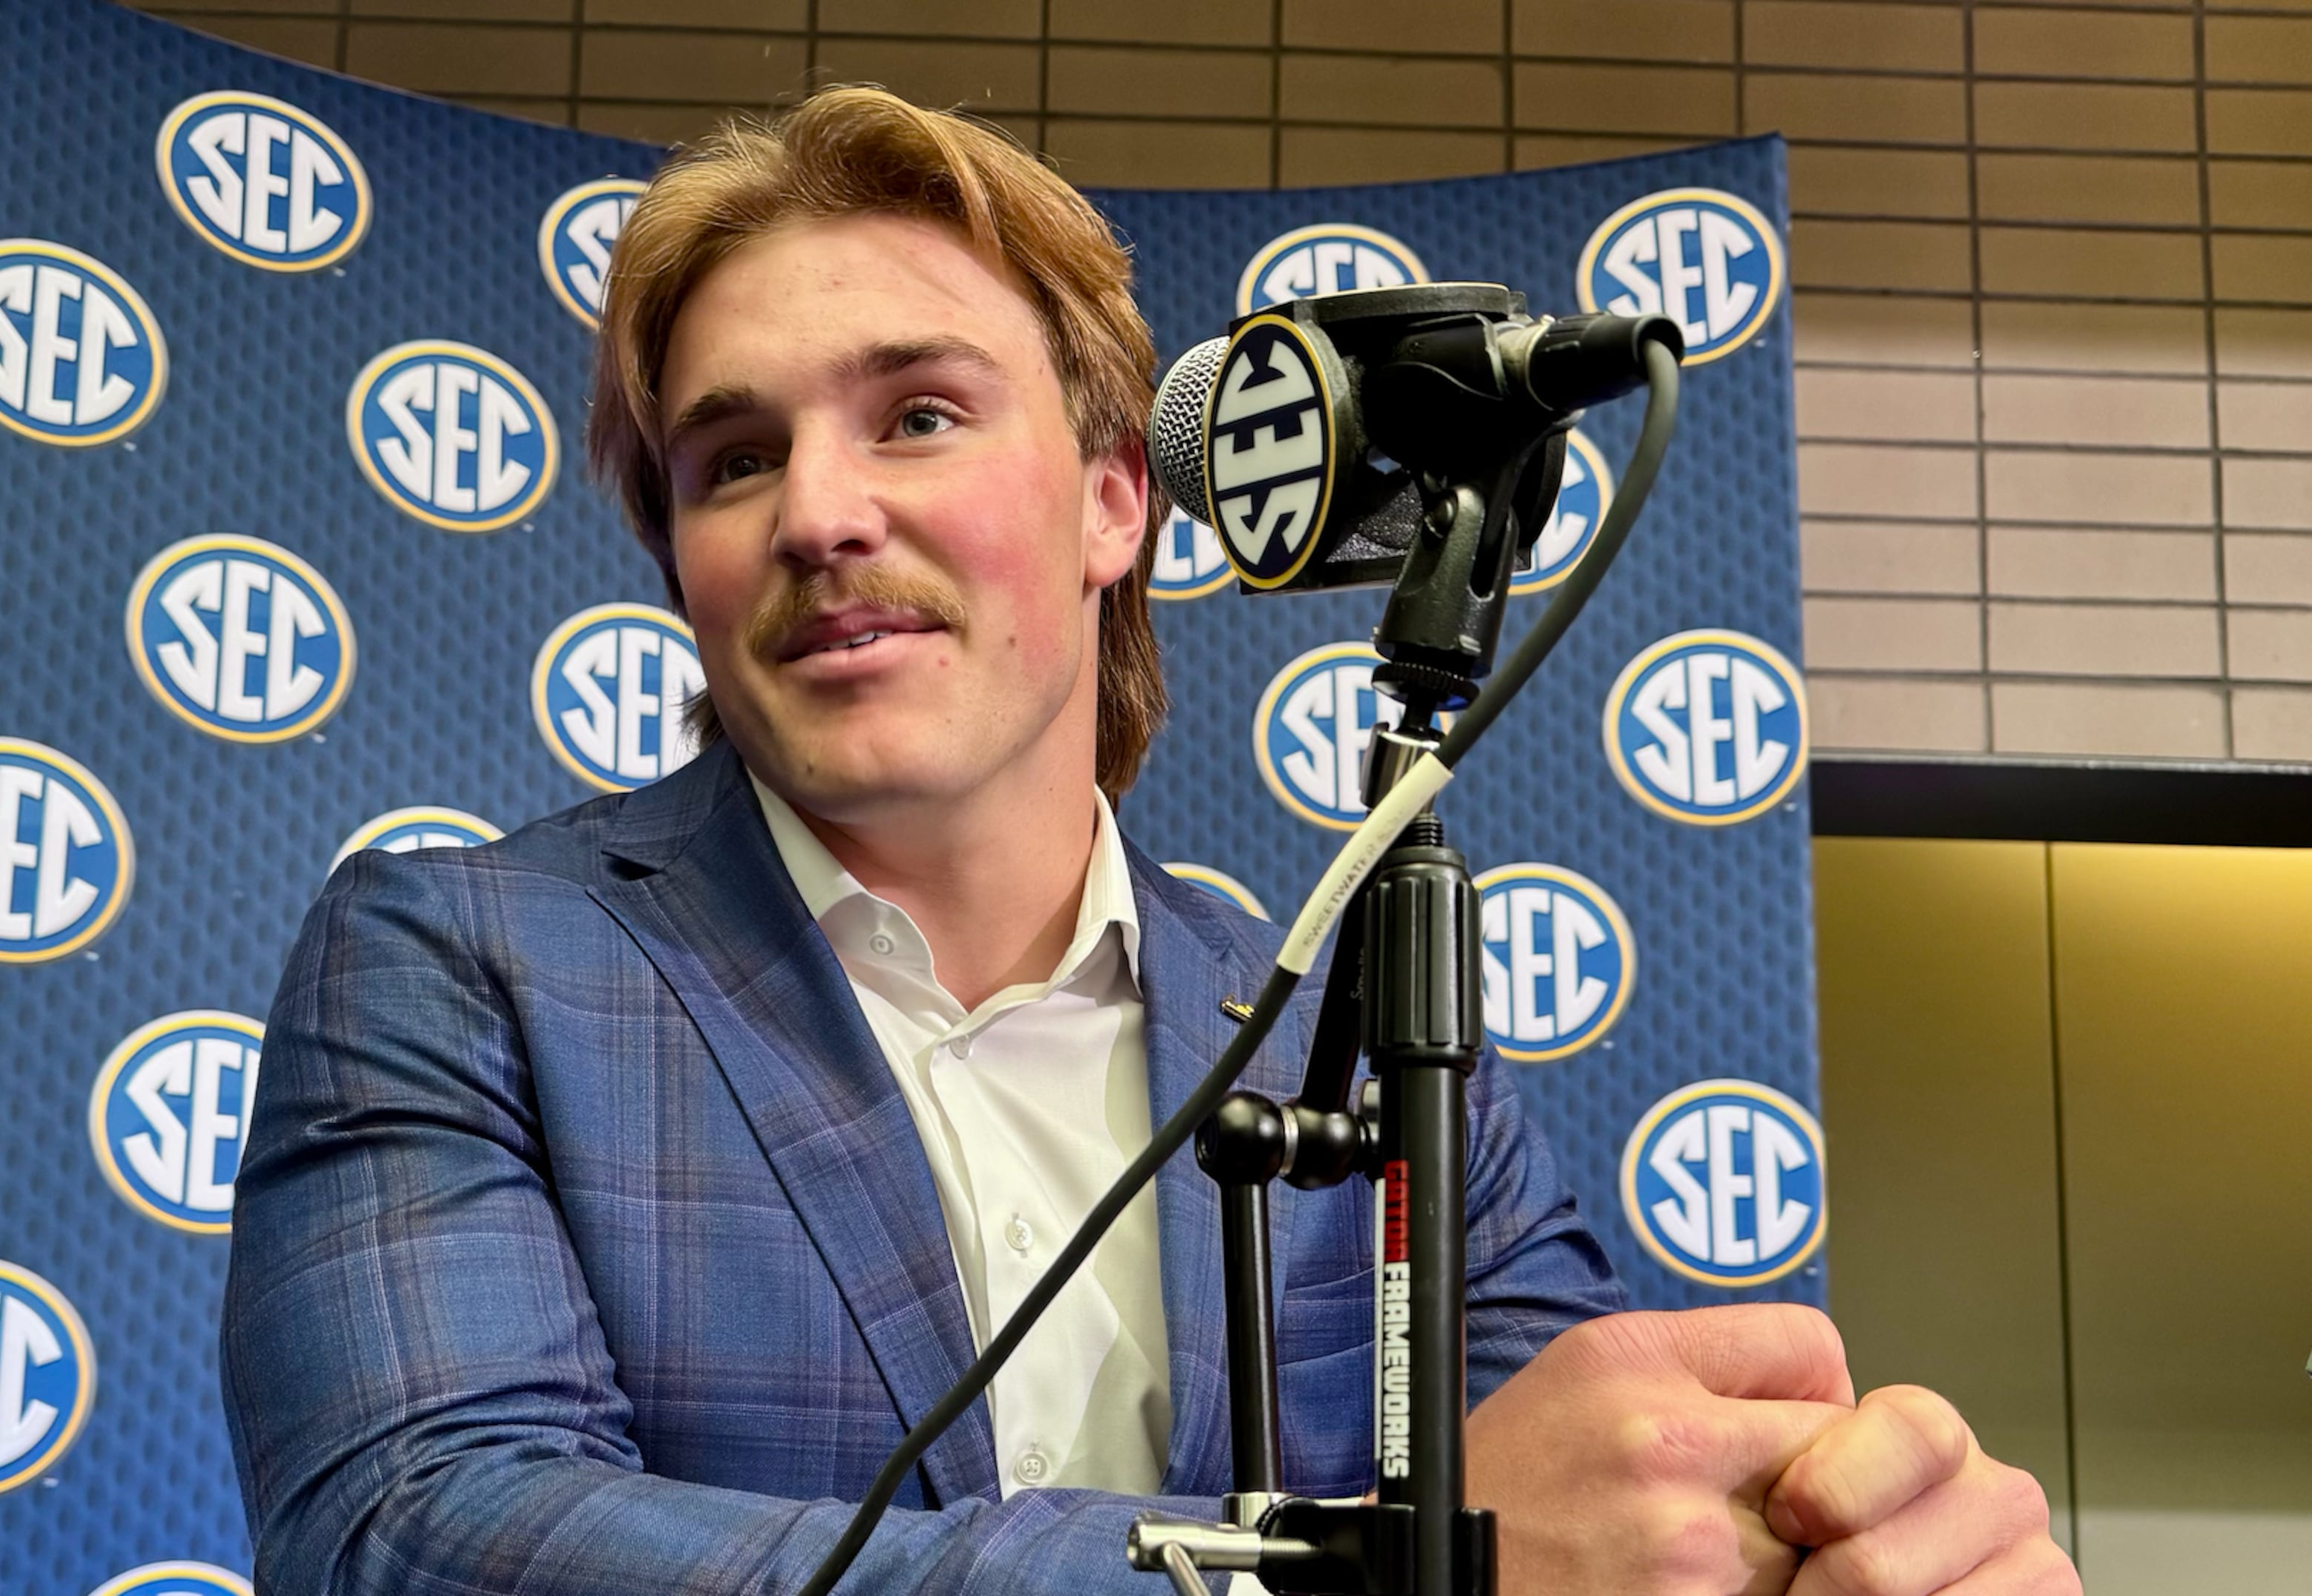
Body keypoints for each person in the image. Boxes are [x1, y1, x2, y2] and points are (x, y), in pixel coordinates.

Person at [219, 87, 2076, 1596]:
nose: (821, 514)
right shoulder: (462, 964)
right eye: (736, 460)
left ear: (1118, 502)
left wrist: (1822, 1536)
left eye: (919, 415)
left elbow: (1598, 1507)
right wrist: (1325, 1582)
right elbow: (415, 1540)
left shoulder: (1358, 1041)